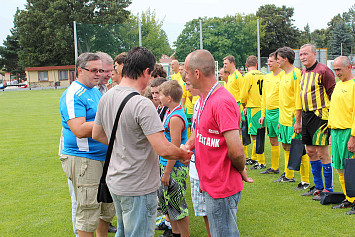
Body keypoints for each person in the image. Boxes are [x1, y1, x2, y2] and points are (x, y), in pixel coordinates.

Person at [92, 46, 192, 237]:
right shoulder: (142, 103)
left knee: (123, 232)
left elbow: (97, 134)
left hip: (115, 181)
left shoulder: (107, 96)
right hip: (138, 185)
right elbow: (163, 148)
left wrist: (124, 144)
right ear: (146, 72)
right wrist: (182, 153)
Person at [184, 49, 252, 237]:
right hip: (211, 183)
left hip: (222, 186)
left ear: (197, 73)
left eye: (187, 73)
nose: (185, 77)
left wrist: (239, 169)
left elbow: (237, 152)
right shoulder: (206, 98)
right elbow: (201, 133)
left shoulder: (221, 101)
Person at [59, 52, 115, 237]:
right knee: (88, 210)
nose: (98, 74)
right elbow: (79, 129)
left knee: (106, 210)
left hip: (102, 157)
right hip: (84, 158)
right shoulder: (74, 93)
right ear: (79, 70)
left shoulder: (94, 90)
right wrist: (109, 119)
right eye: (93, 70)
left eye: (101, 70)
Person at [299, 44, 336, 199]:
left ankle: (328, 189)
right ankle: (318, 187)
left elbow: (334, 96)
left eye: (305, 54)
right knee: (310, 152)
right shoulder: (303, 72)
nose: (302, 57)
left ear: (314, 54)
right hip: (306, 116)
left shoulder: (324, 71)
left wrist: (332, 119)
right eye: (300, 55)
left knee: (322, 152)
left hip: (320, 116)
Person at [273, 47, 310, 190]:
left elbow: (298, 99)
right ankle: (289, 175)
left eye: (278, 58)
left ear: (285, 59)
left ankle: (305, 181)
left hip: (293, 118)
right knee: (286, 146)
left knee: (299, 148)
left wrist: (298, 120)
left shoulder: (296, 74)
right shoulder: (282, 75)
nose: (276, 61)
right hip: (282, 119)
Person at [157, 80, 190, 237]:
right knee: (170, 204)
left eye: (161, 94)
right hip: (167, 165)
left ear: (169, 98)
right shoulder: (170, 113)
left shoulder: (175, 118)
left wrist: (167, 172)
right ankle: (175, 233)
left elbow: (175, 149)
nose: (158, 97)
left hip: (174, 168)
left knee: (178, 206)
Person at [328, 56, 355, 214]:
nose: (336, 73)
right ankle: (348, 198)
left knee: (351, 167)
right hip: (336, 132)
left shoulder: (353, 86)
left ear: (349, 67)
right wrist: (331, 130)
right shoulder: (338, 86)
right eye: (335, 69)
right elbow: (335, 109)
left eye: (339, 69)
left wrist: (353, 136)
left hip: (348, 132)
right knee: (339, 167)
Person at [185, 79, 211, 237]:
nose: (186, 88)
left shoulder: (212, 103)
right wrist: (187, 147)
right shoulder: (197, 104)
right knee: (204, 212)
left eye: (188, 84)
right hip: (195, 166)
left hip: (208, 168)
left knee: (216, 212)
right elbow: (197, 131)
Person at [240, 55, 265, 169]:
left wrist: (244, 105)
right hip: (262, 106)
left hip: (253, 107)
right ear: (256, 64)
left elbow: (244, 94)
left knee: (255, 135)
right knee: (258, 133)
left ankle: (260, 161)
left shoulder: (248, 76)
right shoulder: (262, 74)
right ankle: (255, 158)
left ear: (246, 65)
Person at [258, 52, 282, 174]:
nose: (268, 63)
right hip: (268, 113)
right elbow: (264, 98)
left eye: (271, 61)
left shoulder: (283, 76)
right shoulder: (266, 77)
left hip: (279, 113)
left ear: (278, 62)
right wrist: (263, 114)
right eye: (268, 61)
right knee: (272, 140)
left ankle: (289, 172)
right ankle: (274, 168)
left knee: (285, 143)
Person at [223, 55, 249, 162]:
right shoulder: (230, 76)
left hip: (237, 106)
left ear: (232, 63)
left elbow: (244, 92)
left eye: (226, 63)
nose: (224, 66)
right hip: (230, 106)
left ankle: (245, 155)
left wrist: (244, 107)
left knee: (240, 130)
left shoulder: (238, 76)